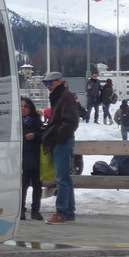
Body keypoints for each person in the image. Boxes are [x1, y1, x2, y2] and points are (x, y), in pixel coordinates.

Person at [42, 71, 79, 224]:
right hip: (62, 140)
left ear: (58, 82)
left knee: (62, 179)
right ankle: (69, 212)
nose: (47, 87)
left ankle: (61, 213)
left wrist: (58, 135)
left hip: (62, 142)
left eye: (49, 83)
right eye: (45, 84)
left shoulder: (65, 96)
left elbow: (71, 121)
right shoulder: (60, 96)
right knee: (66, 179)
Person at [19, 96, 43, 221]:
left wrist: (35, 136)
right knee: (23, 185)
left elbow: (43, 135)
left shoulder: (36, 120)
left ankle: (35, 210)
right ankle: (21, 210)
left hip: (35, 157)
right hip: (22, 159)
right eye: (21, 106)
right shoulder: (16, 122)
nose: (23, 109)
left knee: (37, 186)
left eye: (25, 106)